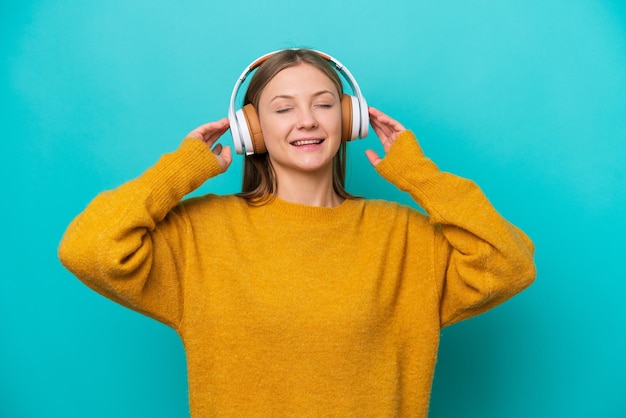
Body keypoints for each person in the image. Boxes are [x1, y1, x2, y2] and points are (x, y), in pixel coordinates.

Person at [58, 48, 536, 417]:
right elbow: (90, 247)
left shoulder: (405, 238)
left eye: (324, 104)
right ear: (252, 130)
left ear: (348, 120)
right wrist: (181, 170)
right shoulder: (200, 235)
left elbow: (509, 264)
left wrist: (420, 175)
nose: (307, 119)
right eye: (283, 108)